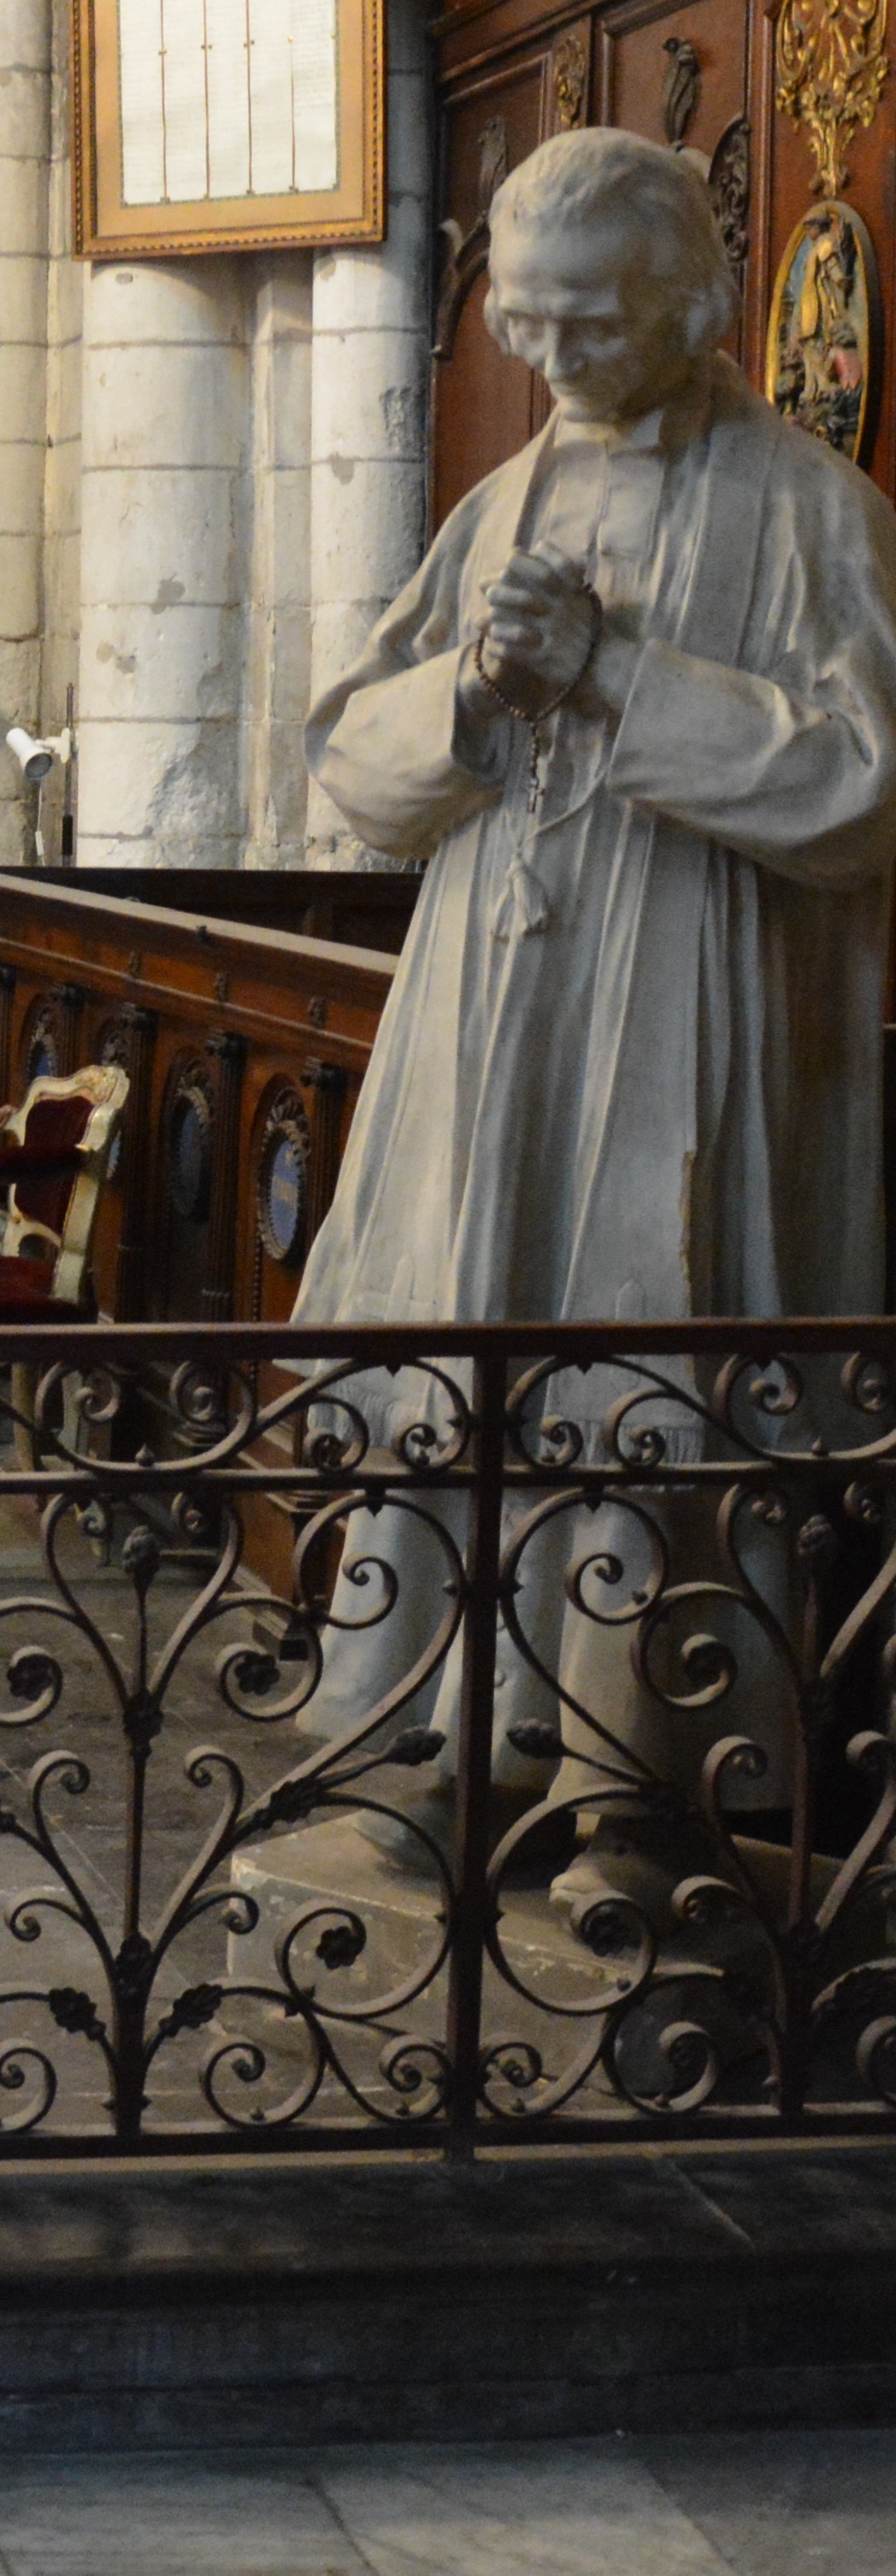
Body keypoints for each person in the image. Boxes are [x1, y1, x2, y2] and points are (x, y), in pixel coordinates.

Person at [292, 126, 896, 1923]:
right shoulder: (498, 498)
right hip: (490, 1009)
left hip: (688, 996)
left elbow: (862, 786)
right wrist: (470, 684)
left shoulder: (807, 509)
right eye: (529, 324)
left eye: (592, 326)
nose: (551, 362)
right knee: (469, 1332)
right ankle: (435, 1744)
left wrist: (617, 674)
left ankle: (640, 1781)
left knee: (644, 1355)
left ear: (692, 304)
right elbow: (351, 764)